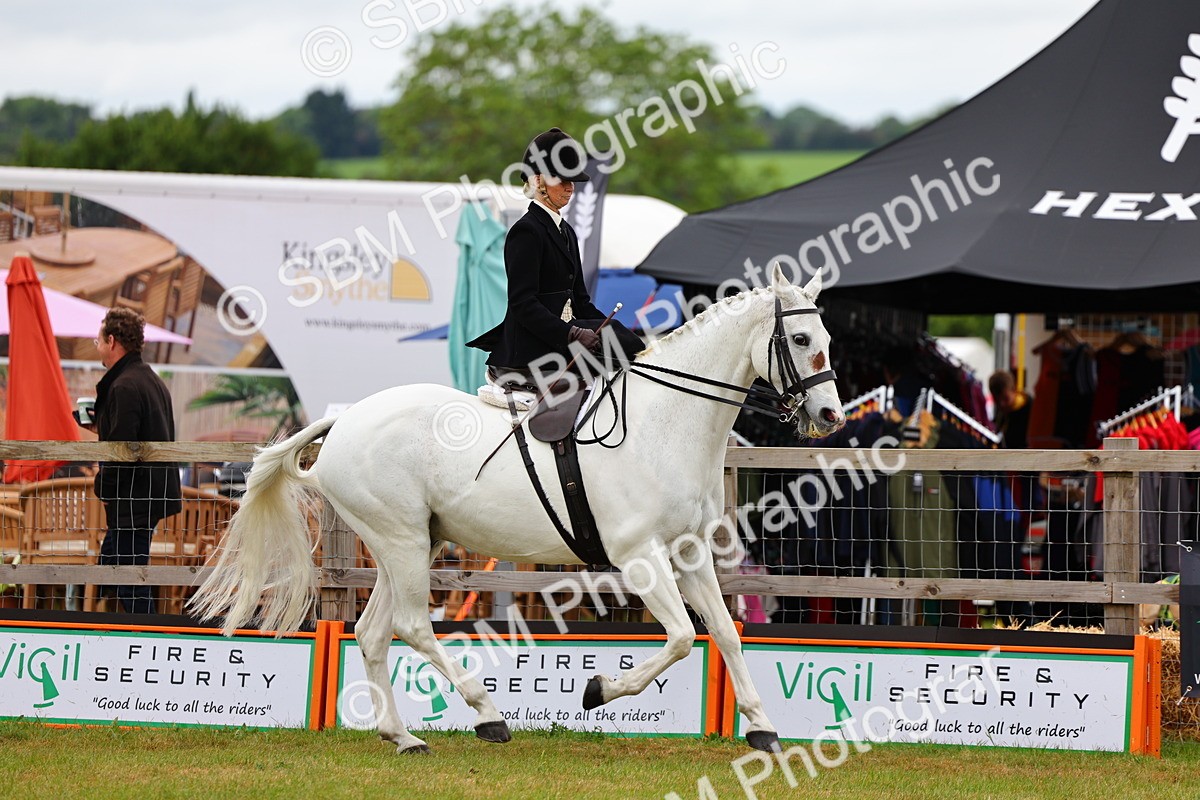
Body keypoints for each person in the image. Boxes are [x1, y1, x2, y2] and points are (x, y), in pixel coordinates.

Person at [468, 127, 643, 383]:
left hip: (561, 339)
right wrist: (571, 333)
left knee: (617, 336)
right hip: (531, 346)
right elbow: (523, 304)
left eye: (572, 181)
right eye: (562, 180)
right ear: (538, 180)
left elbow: (581, 300)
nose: (570, 188)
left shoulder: (567, 232)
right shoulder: (526, 231)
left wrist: (600, 327)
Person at [81, 308, 182, 614]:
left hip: (132, 498)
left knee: (129, 581)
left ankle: (149, 635)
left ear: (112, 341)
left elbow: (121, 452)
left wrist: (106, 492)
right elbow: (136, 436)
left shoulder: (125, 385)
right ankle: (85, 620)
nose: (96, 345)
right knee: (110, 565)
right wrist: (101, 425)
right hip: (147, 495)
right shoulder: (149, 380)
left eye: (98, 340)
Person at [988, 369, 1032, 449]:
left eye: (1006, 398)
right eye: (996, 400)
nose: (1002, 404)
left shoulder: (1030, 411)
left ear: (1013, 390)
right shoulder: (1002, 412)